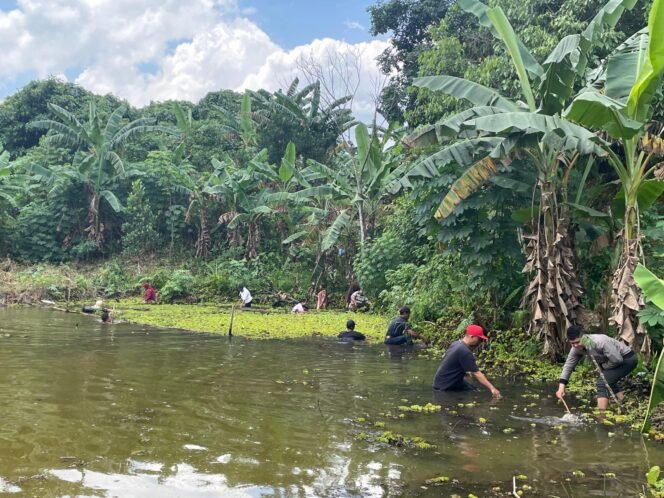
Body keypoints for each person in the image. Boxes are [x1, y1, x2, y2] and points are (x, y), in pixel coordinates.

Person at [555, 325, 637, 410]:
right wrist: (561, 388)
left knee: (602, 382)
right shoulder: (575, 349)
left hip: (627, 359)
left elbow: (617, 360)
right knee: (608, 378)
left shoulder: (600, 341)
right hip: (612, 361)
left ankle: (602, 415)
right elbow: (569, 365)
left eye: (578, 342)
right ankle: (623, 401)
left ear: (584, 337)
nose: (575, 345)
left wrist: (603, 366)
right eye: (572, 343)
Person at [432, 324, 501, 397]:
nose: (480, 341)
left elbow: (451, 363)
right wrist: (492, 389)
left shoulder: (456, 344)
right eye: (479, 339)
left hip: (439, 383)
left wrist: (463, 373)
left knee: (474, 390)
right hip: (444, 387)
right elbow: (477, 374)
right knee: (474, 393)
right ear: (472, 337)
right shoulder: (464, 351)